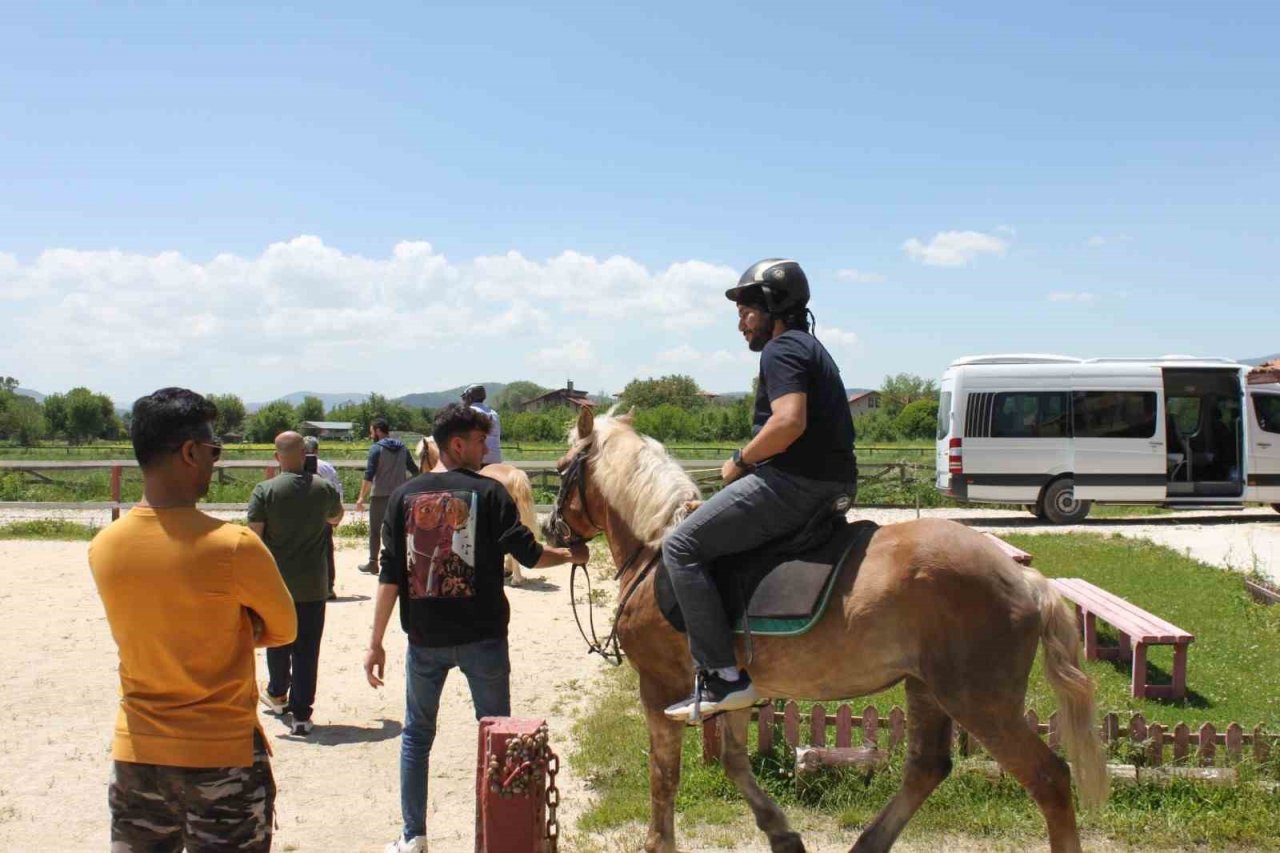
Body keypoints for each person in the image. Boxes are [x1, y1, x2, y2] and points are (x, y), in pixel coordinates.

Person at [364, 404, 589, 853]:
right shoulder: (490, 495)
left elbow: (391, 574)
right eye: (480, 440)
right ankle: (498, 839)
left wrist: (375, 643)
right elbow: (528, 555)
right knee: (497, 735)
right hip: (484, 638)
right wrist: (569, 556)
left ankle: (413, 836)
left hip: (424, 641)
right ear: (457, 444)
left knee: (416, 737)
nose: (487, 447)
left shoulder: (405, 497)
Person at [89, 387, 297, 852]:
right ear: (188, 452)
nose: (214, 461)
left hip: (137, 754)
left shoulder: (105, 546)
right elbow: (285, 628)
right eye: (213, 450)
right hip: (223, 755)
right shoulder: (234, 546)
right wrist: (236, 626)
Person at [661, 258, 859, 722]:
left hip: (795, 483)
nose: (741, 323)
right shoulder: (810, 347)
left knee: (682, 545)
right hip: (827, 481)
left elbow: (788, 422)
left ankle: (723, 677)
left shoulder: (782, 350)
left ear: (773, 306)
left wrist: (740, 460)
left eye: (747, 310)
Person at [249, 431, 345, 735]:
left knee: (277, 640)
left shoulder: (264, 490)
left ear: (277, 457)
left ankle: (278, 693)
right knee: (307, 649)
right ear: (305, 454)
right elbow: (336, 519)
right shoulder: (324, 488)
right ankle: (302, 715)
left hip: (276, 583)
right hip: (314, 584)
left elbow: (254, 537)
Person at [356, 417, 418, 574]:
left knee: (375, 530)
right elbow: (415, 470)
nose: (371, 435)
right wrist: (405, 484)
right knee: (399, 530)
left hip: (379, 495)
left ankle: (373, 563)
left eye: (371, 432)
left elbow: (369, 475)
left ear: (377, 431)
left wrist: (361, 497)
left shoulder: (376, 449)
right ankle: (399, 561)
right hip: (399, 496)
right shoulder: (403, 448)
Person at [303, 434, 344, 600]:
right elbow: (337, 490)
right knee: (326, 550)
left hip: (303, 515)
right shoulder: (327, 467)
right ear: (317, 450)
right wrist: (337, 514)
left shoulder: (294, 465)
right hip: (324, 515)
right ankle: (328, 587)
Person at [462, 383, 502, 464]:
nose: (464, 401)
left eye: (464, 398)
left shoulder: (468, 412)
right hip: (496, 459)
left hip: (477, 459)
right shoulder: (494, 413)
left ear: (469, 398)